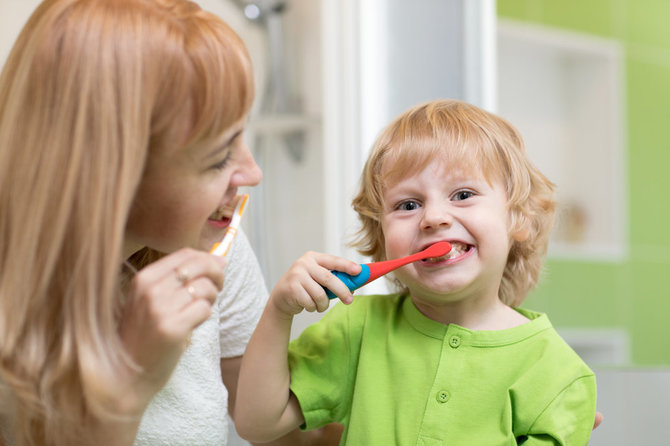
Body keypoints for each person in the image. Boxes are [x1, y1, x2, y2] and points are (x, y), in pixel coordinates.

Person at [0, 1, 342, 445]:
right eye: (219, 157)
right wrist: (129, 388)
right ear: (112, 175)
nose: (252, 173)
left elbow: (271, 424)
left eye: (242, 133)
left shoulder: (210, 238)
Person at [235, 99, 598, 444]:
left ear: (518, 219)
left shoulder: (557, 372)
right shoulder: (357, 330)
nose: (434, 218)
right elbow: (257, 423)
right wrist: (278, 311)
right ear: (381, 236)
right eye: (408, 204)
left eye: (463, 194)